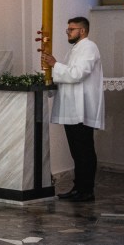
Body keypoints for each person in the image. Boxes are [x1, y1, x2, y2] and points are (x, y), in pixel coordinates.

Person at [41, 17, 105, 202]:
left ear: (82, 31)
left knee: (84, 150)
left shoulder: (89, 47)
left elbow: (77, 74)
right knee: (76, 151)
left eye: (71, 29)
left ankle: (87, 190)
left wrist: (54, 64)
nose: (68, 32)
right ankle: (78, 188)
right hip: (72, 107)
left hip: (82, 108)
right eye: (68, 29)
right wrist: (49, 77)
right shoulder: (74, 50)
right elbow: (66, 74)